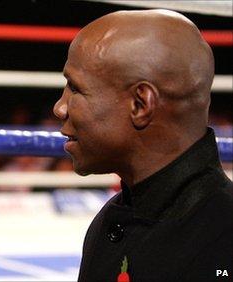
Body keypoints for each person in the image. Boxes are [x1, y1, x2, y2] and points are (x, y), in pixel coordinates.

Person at [53, 9, 233, 281]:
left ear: (140, 104)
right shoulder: (113, 219)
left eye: (75, 89)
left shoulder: (221, 237)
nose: (60, 108)